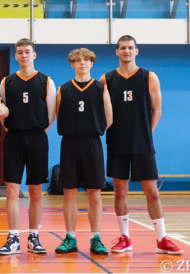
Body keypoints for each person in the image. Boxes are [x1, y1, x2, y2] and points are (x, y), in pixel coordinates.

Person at [100, 35, 183, 255]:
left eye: (130, 48)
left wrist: (145, 134)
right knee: (120, 191)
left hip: (142, 143)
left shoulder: (149, 77)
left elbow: (158, 111)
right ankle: (125, 238)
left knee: (152, 192)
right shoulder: (106, 79)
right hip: (117, 142)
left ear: (137, 51)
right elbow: (102, 113)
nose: (126, 51)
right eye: (122, 48)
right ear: (116, 52)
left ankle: (162, 239)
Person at [0, 38, 55, 255]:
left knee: (36, 191)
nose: (24, 55)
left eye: (27, 51)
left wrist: (36, 131)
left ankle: (33, 237)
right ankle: (13, 238)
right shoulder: (7, 82)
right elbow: (2, 113)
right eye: (20, 52)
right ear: (16, 56)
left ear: (34, 55)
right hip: (14, 139)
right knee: (12, 190)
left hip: (37, 139)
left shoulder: (46, 81)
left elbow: (50, 115)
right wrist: (13, 127)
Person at [54, 48, 112, 255]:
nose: (82, 63)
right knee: (69, 192)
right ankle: (70, 237)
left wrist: (91, 129)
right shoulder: (63, 89)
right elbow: (59, 116)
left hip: (92, 143)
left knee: (94, 192)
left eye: (86, 60)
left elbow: (109, 118)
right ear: (72, 64)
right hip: (69, 143)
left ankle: (96, 238)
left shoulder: (101, 89)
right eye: (78, 60)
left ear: (92, 63)